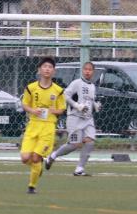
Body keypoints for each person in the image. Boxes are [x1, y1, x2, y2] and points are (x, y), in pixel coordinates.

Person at [19, 57, 65, 195]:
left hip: (48, 127)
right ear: (39, 70)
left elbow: (62, 109)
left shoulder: (58, 90)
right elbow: (24, 104)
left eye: (50, 67)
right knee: (25, 158)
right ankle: (38, 168)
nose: (47, 69)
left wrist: (54, 111)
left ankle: (32, 186)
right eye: (44, 66)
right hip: (33, 126)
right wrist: (33, 110)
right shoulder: (31, 88)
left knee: (35, 157)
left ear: (54, 71)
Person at [45, 60, 99, 177]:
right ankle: (52, 156)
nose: (87, 72)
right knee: (74, 145)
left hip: (88, 119)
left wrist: (95, 105)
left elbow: (90, 100)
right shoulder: (76, 83)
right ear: (82, 71)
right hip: (75, 118)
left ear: (93, 72)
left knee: (90, 142)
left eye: (90, 70)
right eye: (86, 69)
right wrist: (76, 105)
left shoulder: (93, 86)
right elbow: (65, 95)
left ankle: (79, 169)